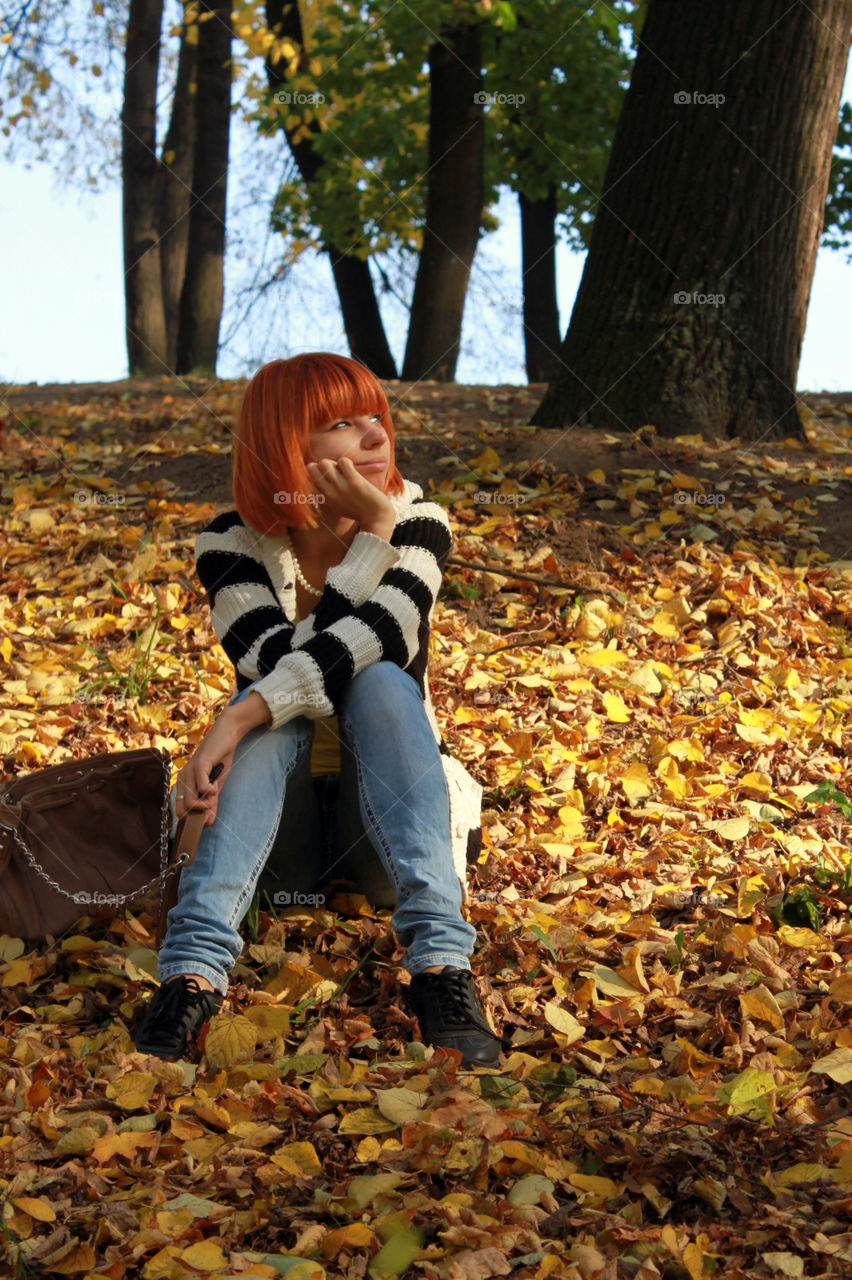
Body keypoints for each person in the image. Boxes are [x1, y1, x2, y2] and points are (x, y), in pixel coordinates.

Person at [132, 353, 503, 1067]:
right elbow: (283, 667)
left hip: (385, 834)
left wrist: (234, 719)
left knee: (382, 680)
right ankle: (190, 976)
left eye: (377, 420)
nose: (373, 439)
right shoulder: (230, 543)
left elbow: (383, 638)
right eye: (340, 423)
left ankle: (443, 970)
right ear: (285, 444)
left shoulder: (419, 522)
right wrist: (366, 549)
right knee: (286, 703)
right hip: (273, 846)